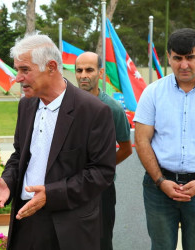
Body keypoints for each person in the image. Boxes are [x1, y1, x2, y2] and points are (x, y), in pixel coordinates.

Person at [0, 33, 116, 250]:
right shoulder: (26, 106)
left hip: (70, 229)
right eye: (17, 70)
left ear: (52, 67)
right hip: (25, 219)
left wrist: (51, 194)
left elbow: (101, 172)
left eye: (25, 70)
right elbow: (20, 155)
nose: (18, 77)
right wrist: (8, 180)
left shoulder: (94, 111)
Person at [134, 28, 195, 249]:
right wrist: (161, 182)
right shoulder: (152, 93)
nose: (184, 65)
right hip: (158, 190)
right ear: (168, 57)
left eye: (190, 57)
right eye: (177, 58)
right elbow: (142, 141)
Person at [75, 51, 132, 250]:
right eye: (79, 70)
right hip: (70, 187)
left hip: (101, 190)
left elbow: (126, 149)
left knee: (101, 242)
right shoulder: (65, 104)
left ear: (100, 73)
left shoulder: (113, 109)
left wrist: (102, 168)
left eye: (89, 70)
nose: (83, 75)